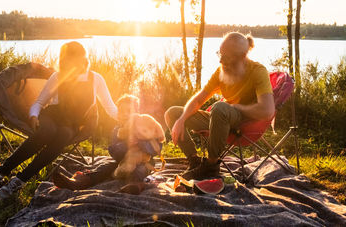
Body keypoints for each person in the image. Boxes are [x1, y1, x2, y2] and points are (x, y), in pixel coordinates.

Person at [0, 41, 118, 201]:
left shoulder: (95, 79)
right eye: (67, 63)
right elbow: (40, 102)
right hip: (52, 116)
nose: (72, 67)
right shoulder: (58, 76)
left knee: (62, 135)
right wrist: (34, 115)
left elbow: (110, 108)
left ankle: (19, 180)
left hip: (74, 123)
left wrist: (130, 120)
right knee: (46, 132)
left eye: (75, 62)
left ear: (83, 61)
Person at [164, 32, 275, 180]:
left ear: (242, 57)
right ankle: (195, 162)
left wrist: (237, 108)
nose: (221, 60)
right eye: (220, 54)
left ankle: (211, 166)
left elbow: (267, 111)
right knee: (173, 113)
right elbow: (198, 99)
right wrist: (182, 119)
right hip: (221, 118)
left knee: (219, 107)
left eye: (226, 57)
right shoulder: (221, 71)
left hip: (243, 120)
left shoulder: (257, 71)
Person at [52, 94, 161, 191]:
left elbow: (157, 148)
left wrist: (141, 144)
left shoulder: (146, 128)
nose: (125, 114)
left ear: (137, 114)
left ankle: (135, 185)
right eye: (122, 111)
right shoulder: (117, 130)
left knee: (140, 169)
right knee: (105, 166)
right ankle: (81, 181)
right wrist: (126, 144)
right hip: (122, 163)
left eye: (129, 111)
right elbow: (113, 151)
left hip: (144, 162)